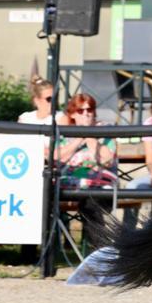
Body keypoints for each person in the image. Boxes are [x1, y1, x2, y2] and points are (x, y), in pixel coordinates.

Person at [55, 93, 116, 249]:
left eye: (89, 110)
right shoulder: (64, 133)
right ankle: (32, 253)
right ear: (73, 114)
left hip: (97, 184)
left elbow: (107, 160)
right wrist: (78, 138)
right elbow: (56, 158)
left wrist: (90, 136)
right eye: (81, 111)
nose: (86, 114)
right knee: (43, 198)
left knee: (90, 202)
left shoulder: (105, 130)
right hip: (68, 185)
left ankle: (99, 250)